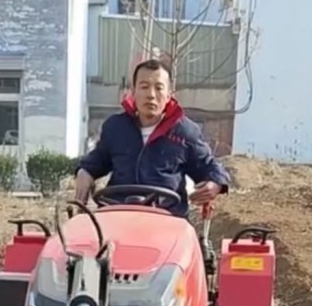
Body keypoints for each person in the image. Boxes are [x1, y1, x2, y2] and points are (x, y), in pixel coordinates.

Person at [73, 57, 229, 219]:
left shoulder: (185, 131)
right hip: (117, 214)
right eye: (144, 87)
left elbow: (208, 165)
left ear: (169, 95)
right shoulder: (115, 127)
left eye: (159, 88)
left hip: (168, 219)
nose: (151, 95)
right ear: (133, 92)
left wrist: (215, 183)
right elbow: (96, 161)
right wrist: (84, 172)